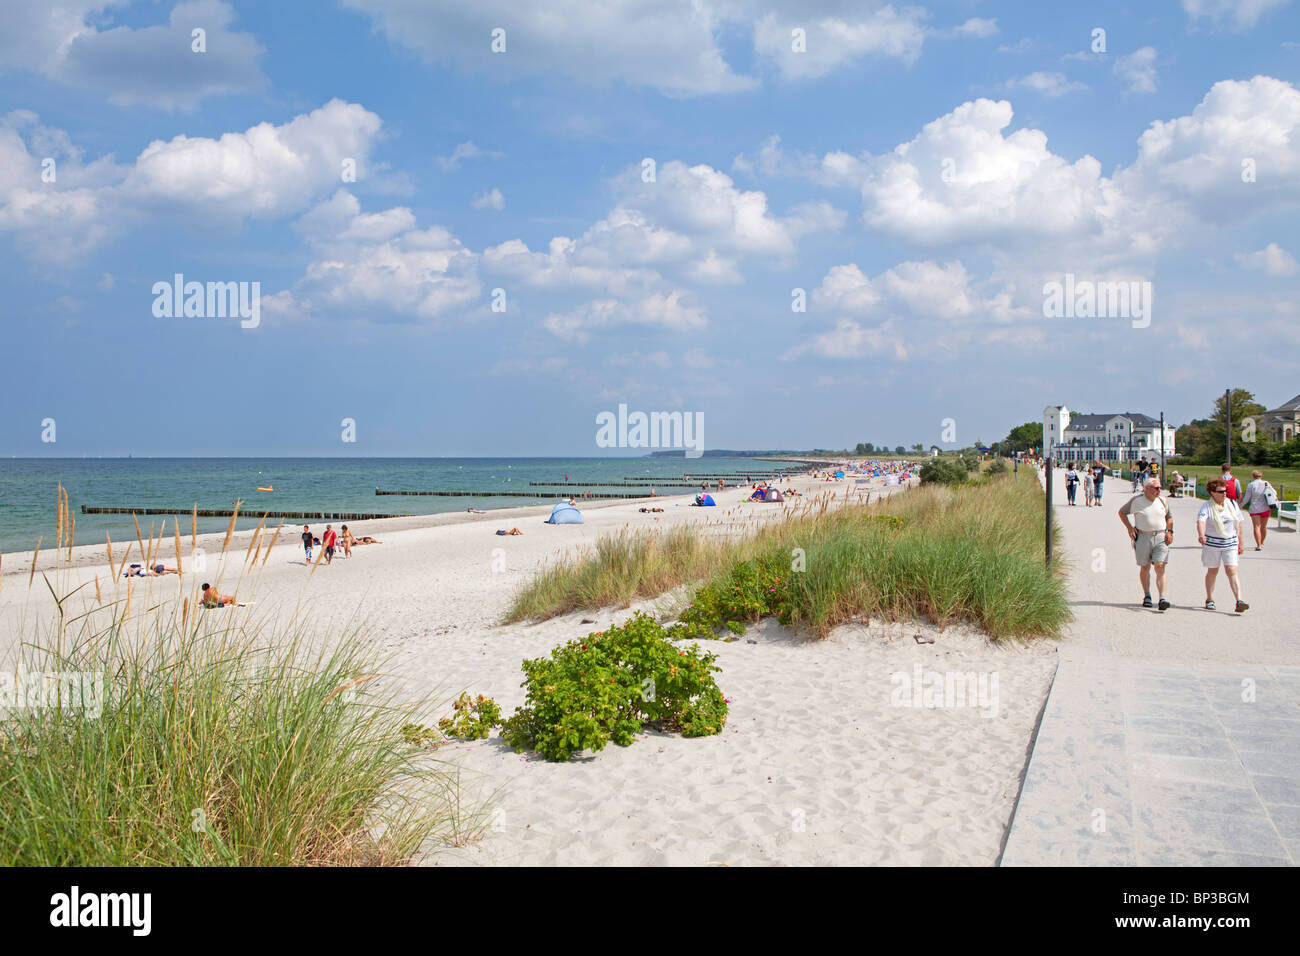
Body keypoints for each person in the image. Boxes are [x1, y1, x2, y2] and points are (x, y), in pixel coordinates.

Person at [1118, 477, 1174, 611]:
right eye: (1156, 488)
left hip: (1160, 536)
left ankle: (1162, 598)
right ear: (1147, 488)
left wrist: (1170, 531)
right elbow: (1122, 512)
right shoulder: (1137, 501)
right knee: (1145, 567)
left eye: (1160, 487)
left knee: (1160, 566)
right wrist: (1130, 528)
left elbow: (1169, 517)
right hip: (1143, 536)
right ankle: (1147, 595)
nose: (1159, 490)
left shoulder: (1163, 500)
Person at [1197, 478, 1248, 613]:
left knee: (1231, 570)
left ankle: (1239, 601)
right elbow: (1201, 521)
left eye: (1225, 491)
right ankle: (1210, 599)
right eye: (1221, 491)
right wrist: (1202, 535)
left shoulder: (1232, 504)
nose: (1224, 493)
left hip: (1230, 542)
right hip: (1213, 544)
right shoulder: (1207, 506)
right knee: (1213, 571)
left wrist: (1241, 541)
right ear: (1212, 493)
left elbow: (1239, 523)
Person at [1239, 470, 1276, 551]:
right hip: (1265, 508)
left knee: (1256, 526)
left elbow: (1247, 498)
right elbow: (1274, 492)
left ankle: (1258, 544)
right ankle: (1261, 543)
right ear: (1261, 476)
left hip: (1255, 508)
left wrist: (1240, 506)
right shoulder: (1266, 483)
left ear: (1253, 476)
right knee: (1263, 527)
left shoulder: (1251, 485)